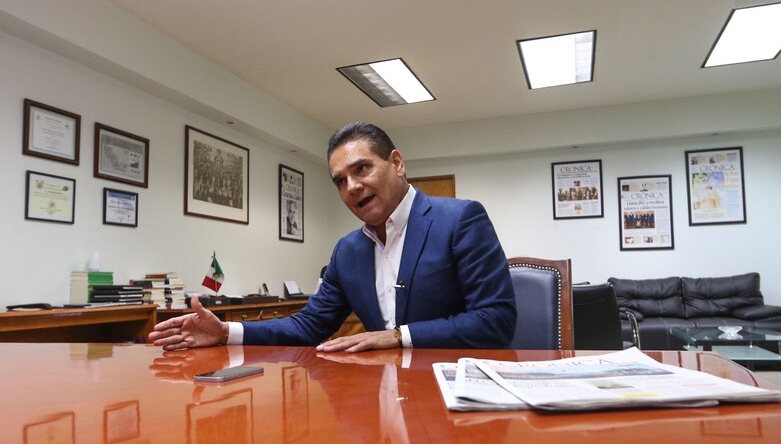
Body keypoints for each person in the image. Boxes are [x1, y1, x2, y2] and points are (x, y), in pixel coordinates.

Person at [149, 122, 516, 353]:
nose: (352, 186)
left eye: (362, 169)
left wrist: (395, 336)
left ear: (398, 164)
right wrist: (227, 330)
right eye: (340, 180)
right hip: (382, 398)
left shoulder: (461, 219)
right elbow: (309, 325)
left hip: (455, 392)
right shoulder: (348, 251)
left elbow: (495, 321)